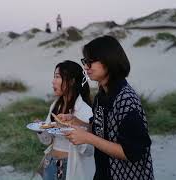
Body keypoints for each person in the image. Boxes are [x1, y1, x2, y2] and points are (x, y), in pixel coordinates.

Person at [59, 36, 154, 180]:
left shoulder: (126, 100)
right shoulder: (102, 95)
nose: (86, 67)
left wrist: (88, 138)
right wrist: (76, 122)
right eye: (85, 62)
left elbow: (131, 152)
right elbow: (100, 129)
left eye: (90, 62)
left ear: (108, 61)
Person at [35, 60, 95, 180]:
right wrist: (41, 129)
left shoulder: (84, 110)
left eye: (57, 77)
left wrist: (70, 132)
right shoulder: (55, 106)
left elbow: (89, 150)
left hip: (68, 166)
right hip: (50, 162)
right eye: (54, 77)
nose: (53, 81)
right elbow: (48, 141)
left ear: (72, 81)